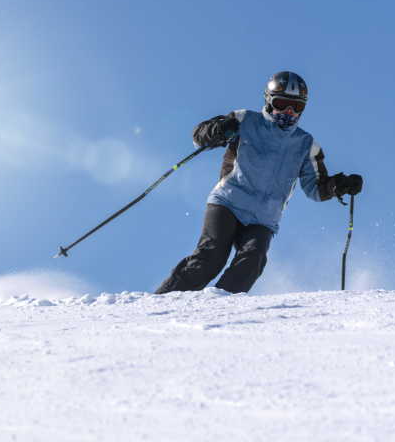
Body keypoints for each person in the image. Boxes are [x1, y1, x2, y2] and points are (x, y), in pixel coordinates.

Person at [155, 71, 363, 294]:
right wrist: (218, 130)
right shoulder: (245, 120)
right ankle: (164, 301)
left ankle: (220, 305)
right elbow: (199, 137)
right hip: (228, 202)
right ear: (269, 100)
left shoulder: (305, 144)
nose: (289, 112)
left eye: (296, 107)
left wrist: (339, 185)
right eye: (281, 104)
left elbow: (316, 189)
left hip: (264, 217)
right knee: (211, 257)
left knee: (253, 261)